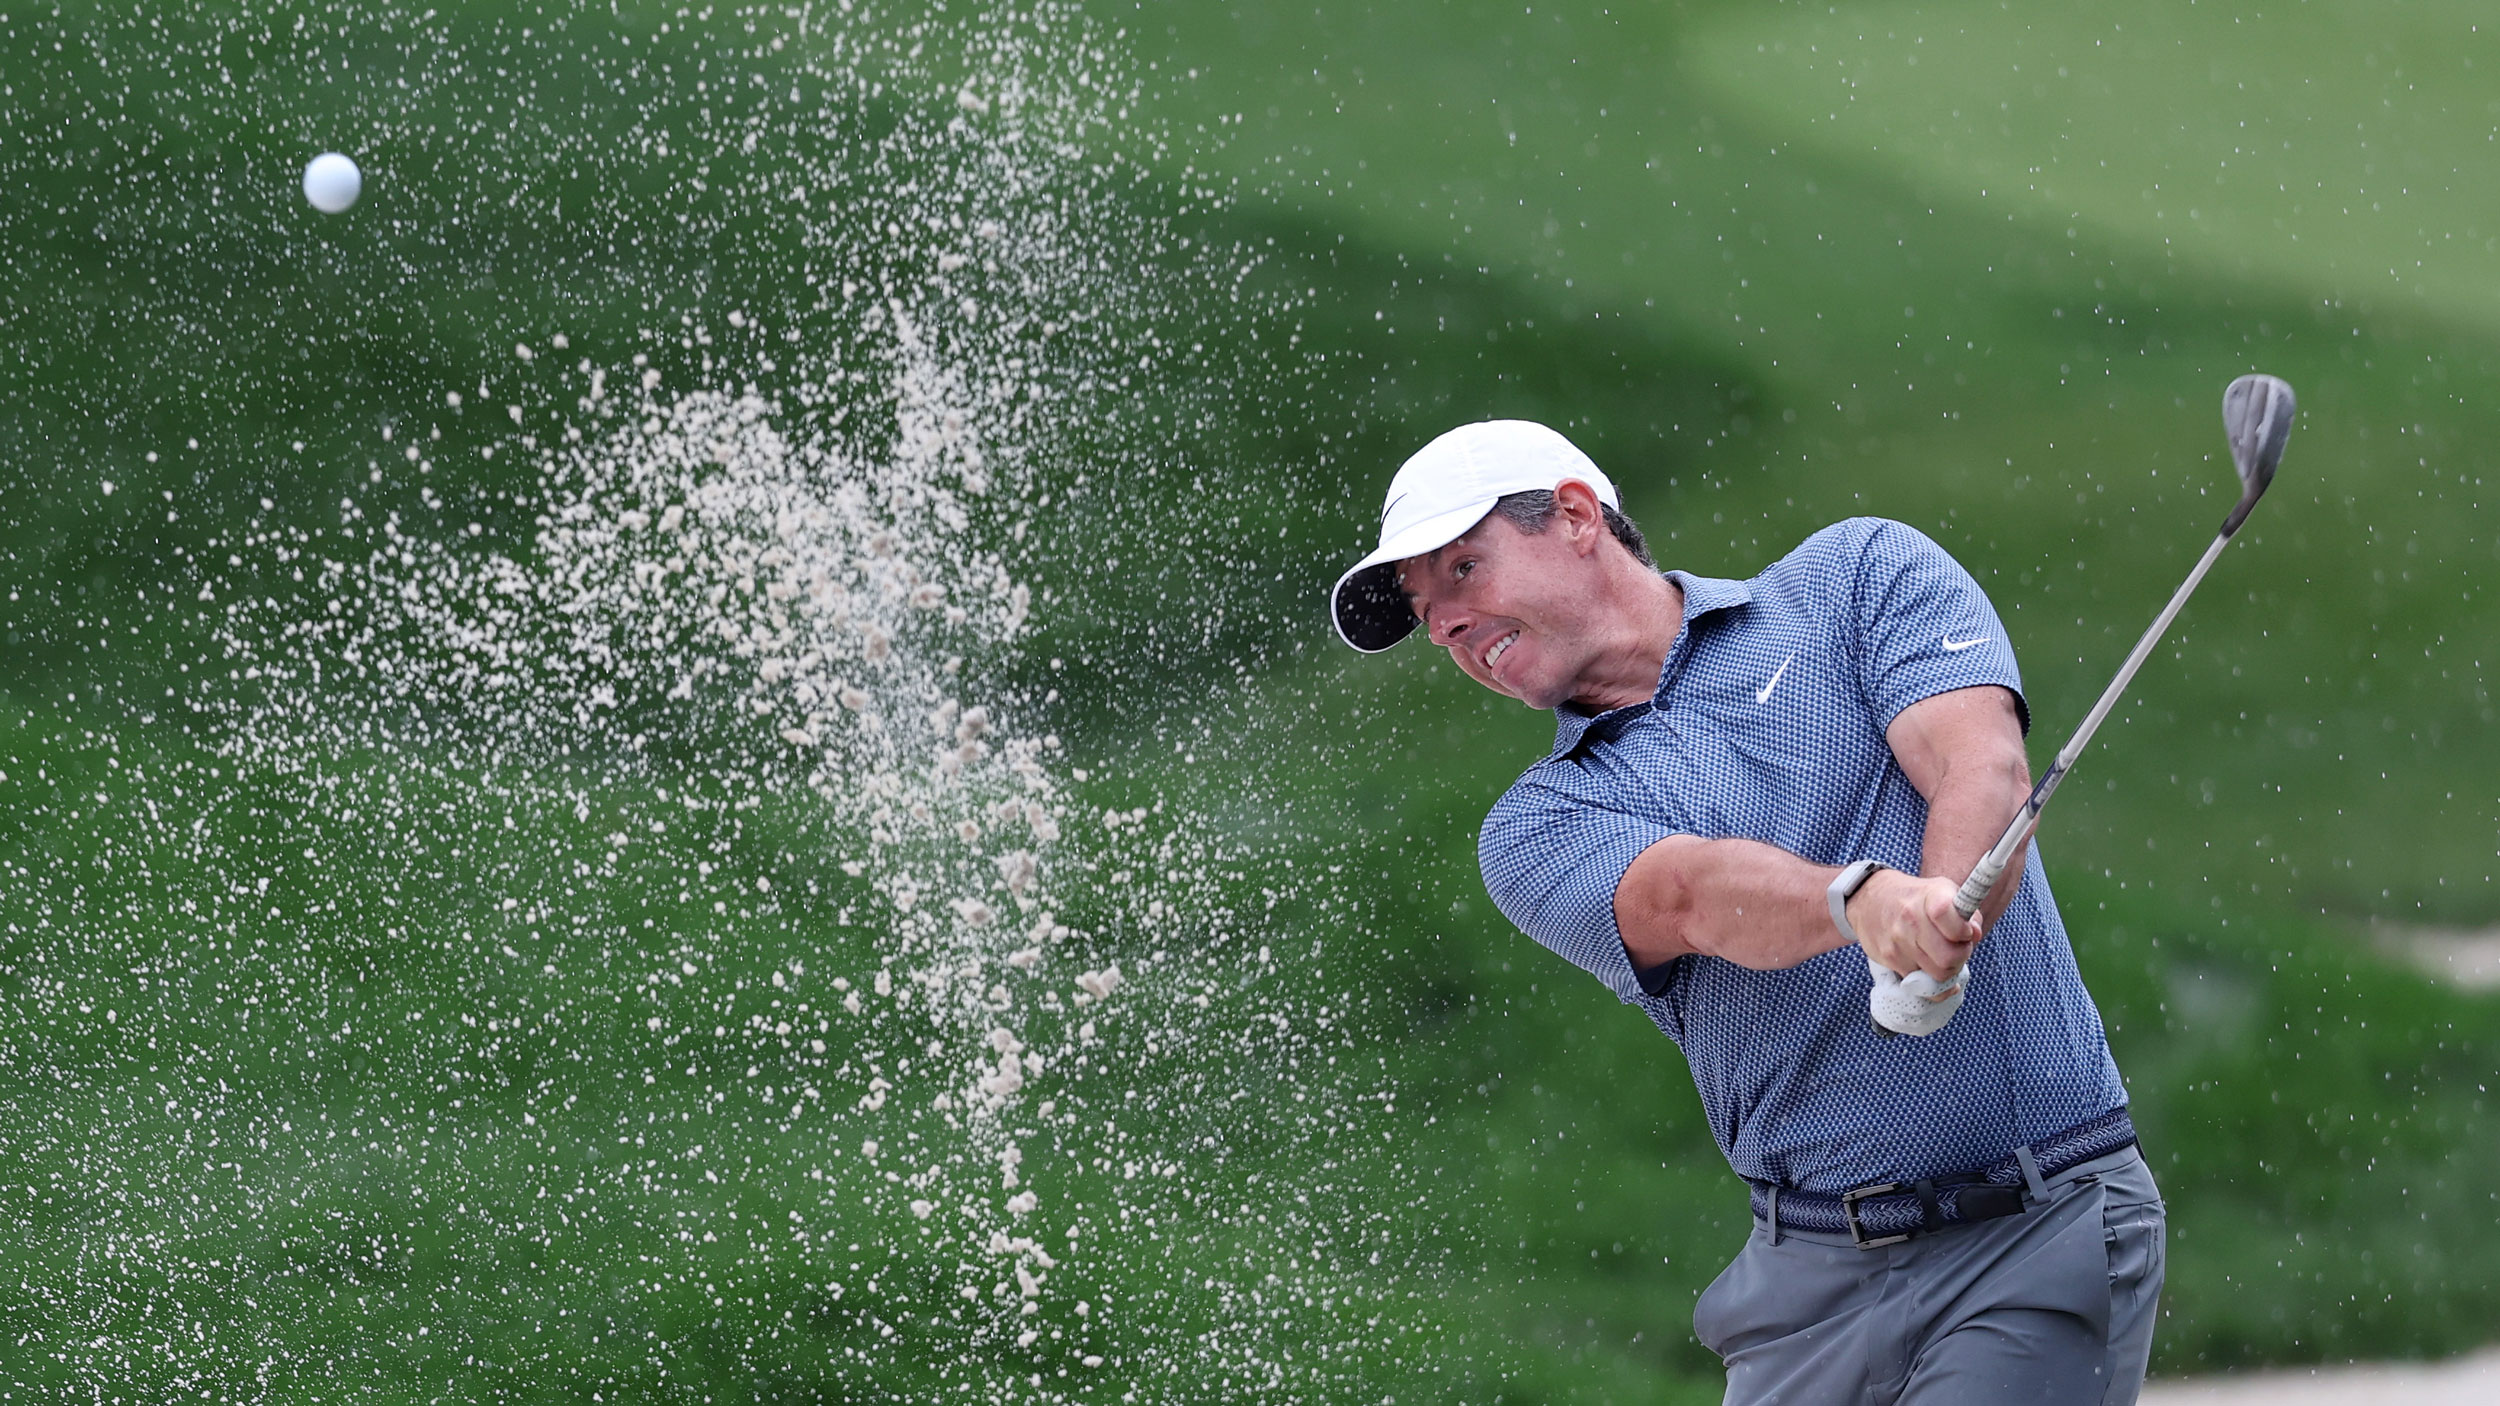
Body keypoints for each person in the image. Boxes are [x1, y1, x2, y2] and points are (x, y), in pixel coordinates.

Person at [1331, 419, 2164, 1405]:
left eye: (1462, 569)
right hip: (1806, 1280)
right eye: (1427, 611)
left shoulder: (1854, 578)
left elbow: (1976, 759)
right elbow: (1686, 894)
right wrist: (1863, 903)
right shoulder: (1540, 822)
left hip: (2033, 1223)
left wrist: (1939, 917)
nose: (1446, 624)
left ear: (1574, 515)